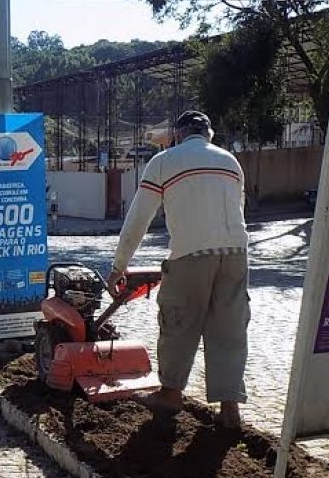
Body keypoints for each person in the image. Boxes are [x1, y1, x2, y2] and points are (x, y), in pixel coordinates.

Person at [108, 110, 251, 429]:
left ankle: (170, 395)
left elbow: (138, 220)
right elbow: (238, 208)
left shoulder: (163, 162)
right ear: (209, 135)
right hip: (236, 254)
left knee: (178, 322)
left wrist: (119, 266)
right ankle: (230, 409)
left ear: (177, 134)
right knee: (229, 329)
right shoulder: (230, 161)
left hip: (191, 254)